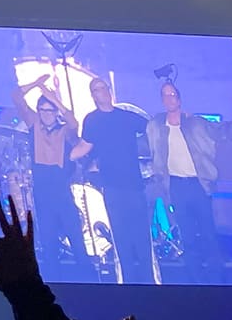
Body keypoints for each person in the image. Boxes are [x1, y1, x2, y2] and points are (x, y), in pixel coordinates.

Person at [146, 79, 232, 283]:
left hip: (198, 185)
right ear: (162, 100)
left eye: (172, 94)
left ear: (179, 98)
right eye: (165, 95)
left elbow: (223, 132)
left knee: (208, 234)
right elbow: (143, 145)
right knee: (187, 236)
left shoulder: (196, 123)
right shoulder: (155, 126)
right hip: (175, 186)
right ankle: (195, 281)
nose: (169, 98)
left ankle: (216, 281)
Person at [75, 76, 151, 283]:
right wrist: (61, 157)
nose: (101, 91)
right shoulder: (92, 120)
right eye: (96, 89)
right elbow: (85, 146)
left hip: (135, 185)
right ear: (93, 95)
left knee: (142, 239)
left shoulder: (127, 117)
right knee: (122, 239)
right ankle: (128, 283)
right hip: (112, 187)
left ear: (109, 91)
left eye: (103, 88)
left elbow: (152, 130)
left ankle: (150, 282)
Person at [11, 76, 90, 268]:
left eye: (49, 110)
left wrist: (53, 98)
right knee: (48, 242)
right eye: (42, 110)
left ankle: (88, 279)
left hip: (61, 189)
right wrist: (36, 83)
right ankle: (53, 285)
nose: (46, 114)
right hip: (42, 189)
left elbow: (73, 122)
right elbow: (16, 96)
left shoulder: (64, 130)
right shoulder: (34, 125)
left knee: (76, 239)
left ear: (55, 112)